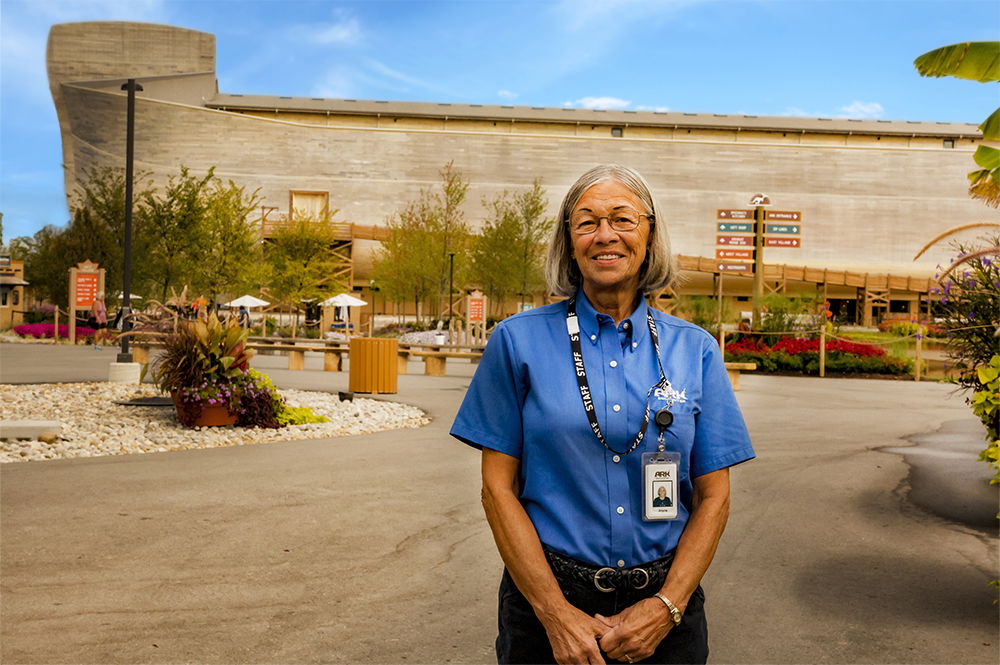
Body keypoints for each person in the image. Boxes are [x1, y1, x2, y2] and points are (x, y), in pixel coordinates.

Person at [451, 164, 755, 665]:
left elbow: (714, 496)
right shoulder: (517, 341)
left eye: (622, 219)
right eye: (587, 222)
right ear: (569, 242)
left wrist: (667, 606)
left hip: (665, 605)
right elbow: (496, 489)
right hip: (545, 603)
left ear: (650, 234)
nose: (605, 235)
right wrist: (554, 613)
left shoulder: (694, 349)